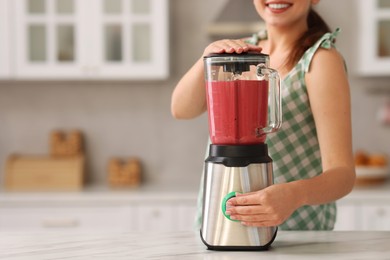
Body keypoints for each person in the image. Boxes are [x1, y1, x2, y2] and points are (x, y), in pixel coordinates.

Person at [171, 0, 355, 230]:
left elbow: (343, 175)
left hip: (294, 235)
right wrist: (207, 58)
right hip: (221, 225)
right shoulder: (240, 53)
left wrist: (294, 195)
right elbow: (181, 109)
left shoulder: (320, 61)